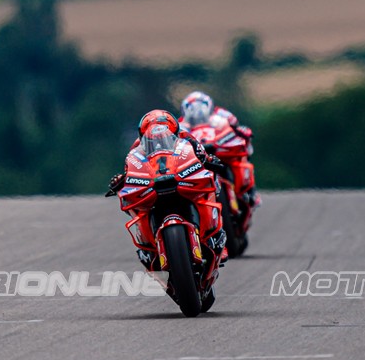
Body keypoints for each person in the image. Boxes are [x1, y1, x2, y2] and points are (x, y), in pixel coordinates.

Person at [106, 109, 227, 271]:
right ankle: (148, 248)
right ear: (143, 136)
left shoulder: (187, 139)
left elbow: (202, 156)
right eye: (152, 139)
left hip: (181, 179)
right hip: (154, 185)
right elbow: (131, 171)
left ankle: (214, 234)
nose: (158, 142)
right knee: (131, 203)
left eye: (165, 135)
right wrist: (121, 181)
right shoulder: (134, 151)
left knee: (213, 183)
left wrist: (209, 160)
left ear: (174, 131)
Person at [180, 90, 258, 209]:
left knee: (241, 157)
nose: (198, 113)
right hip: (199, 154)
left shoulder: (223, 114)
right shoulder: (181, 124)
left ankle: (249, 191)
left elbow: (237, 129)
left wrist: (243, 133)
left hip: (220, 146)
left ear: (209, 106)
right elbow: (175, 140)